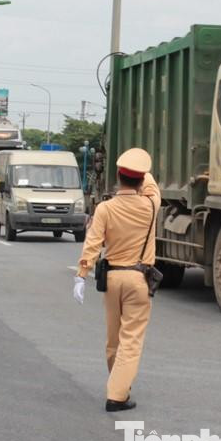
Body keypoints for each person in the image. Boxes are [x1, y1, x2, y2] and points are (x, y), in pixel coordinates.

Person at [74, 148, 161, 412]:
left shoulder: (105, 209)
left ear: (118, 177)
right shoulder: (150, 205)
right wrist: (142, 168)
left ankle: (119, 382)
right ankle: (117, 395)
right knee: (131, 339)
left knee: (113, 339)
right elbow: (151, 185)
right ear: (141, 179)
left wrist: (81, 275)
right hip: (138, 278)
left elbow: (92, 244)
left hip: (112, 278)